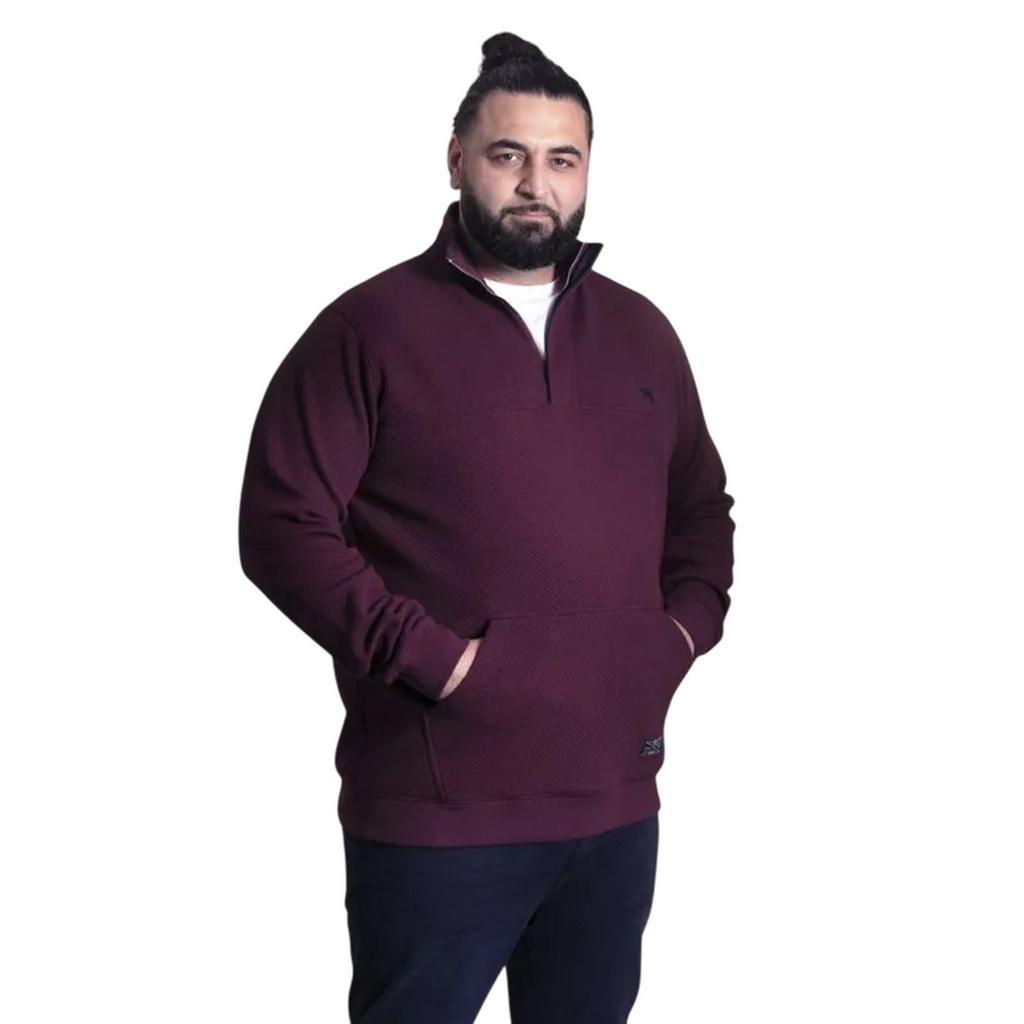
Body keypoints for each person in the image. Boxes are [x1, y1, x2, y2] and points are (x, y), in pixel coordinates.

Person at [238, 30, 735, 1024]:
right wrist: (437, 661)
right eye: (509, 155)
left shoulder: (642, 333)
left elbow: (700, 512)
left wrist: (674, 641)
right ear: (457, 158)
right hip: (436, 816)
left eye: (563, 160)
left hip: (613, 807)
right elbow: (281, 525)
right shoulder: (369, 330)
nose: (536, 185)